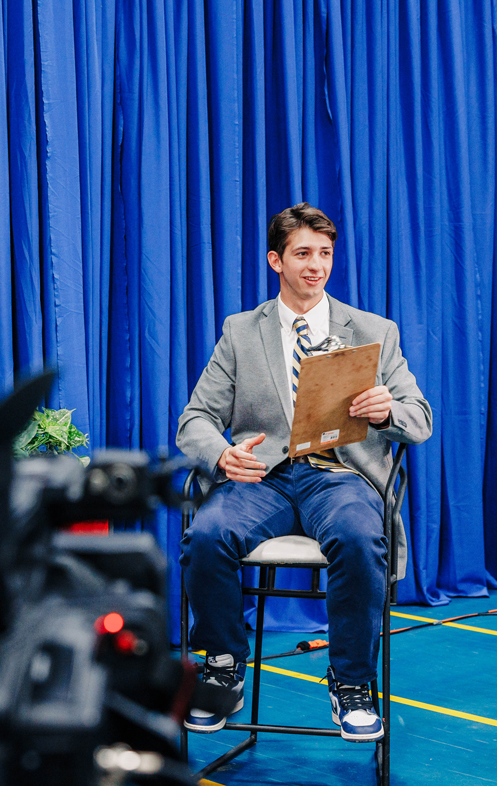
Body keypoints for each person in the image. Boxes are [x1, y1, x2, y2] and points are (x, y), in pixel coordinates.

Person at [176, 202, 432, 740]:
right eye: (302, 254)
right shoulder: (241, 332)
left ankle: (352, 684)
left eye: (324, 254)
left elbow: (420, 419)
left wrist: (385, 411)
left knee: (362, 538)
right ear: (276, 261)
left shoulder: (373, 330)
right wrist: (222, 455)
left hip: (339, 477)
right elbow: (195, 419)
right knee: (205, 534)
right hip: (263, 479)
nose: (315, 265)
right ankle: (223, 665)